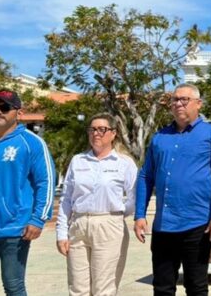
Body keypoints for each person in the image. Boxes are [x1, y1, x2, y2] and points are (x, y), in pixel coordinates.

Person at [135, 83, 211, 296]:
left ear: (198, 104)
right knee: (162, 288)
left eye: (184, 99)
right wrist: (139, 215)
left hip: (197, 225)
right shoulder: (160, 138)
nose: (178, 103)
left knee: (196, 287)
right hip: (164, 227)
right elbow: (146, 176)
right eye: (175, 99)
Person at [0, 89, 55, 296]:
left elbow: (46, 182)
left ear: (18, 113)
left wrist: (38, 219)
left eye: (4, 107)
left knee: (14, 288)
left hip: (15, 230)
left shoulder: (31, 143)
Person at [56, 113, 138, 296]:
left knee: (103, 289)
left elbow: (134, 197)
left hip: (108, 226)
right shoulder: (78, 161)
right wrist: (61, 232)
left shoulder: (124, 163)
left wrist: (116, 216)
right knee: (77, 289)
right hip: (78, 225)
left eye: (102, 129)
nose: (97, 133)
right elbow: (67, 198)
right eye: (92, 129)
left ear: (113, 133)